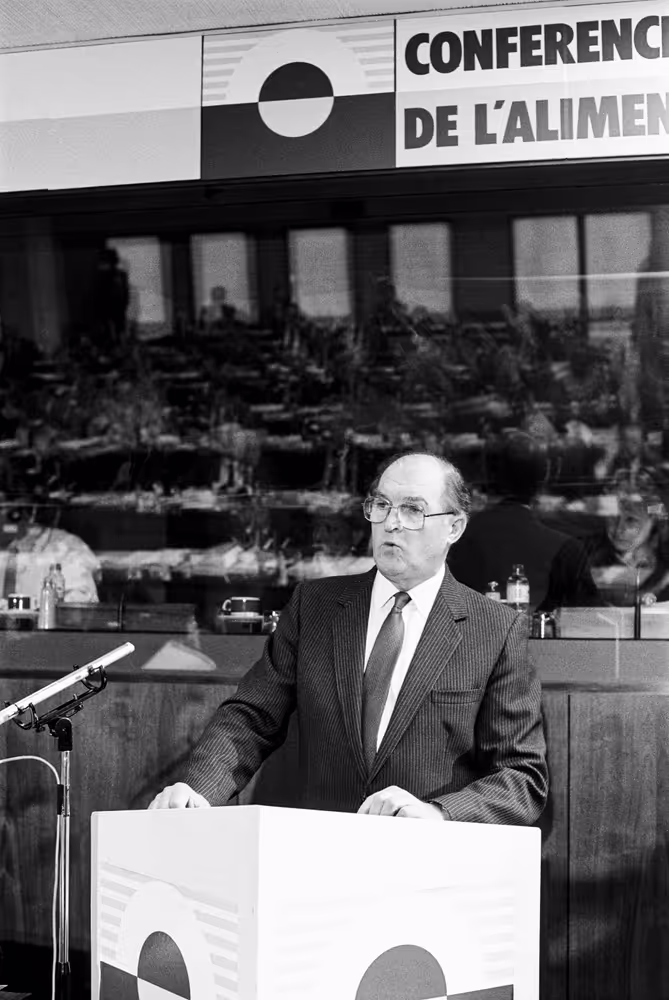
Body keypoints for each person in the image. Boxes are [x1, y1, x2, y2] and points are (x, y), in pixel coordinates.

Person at [149, 452, 547, 824]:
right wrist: (199, 790)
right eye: (382, 505)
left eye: (412, 510)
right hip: (323, 854)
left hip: (428, 866)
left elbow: (521, 776)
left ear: (454, 527)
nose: (391, 523)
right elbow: (252, 717)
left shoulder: (494, 629)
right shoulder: (316, 606)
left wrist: (439, 813)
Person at [448, 431, 600, 611]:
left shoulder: (454, 539)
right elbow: (591, 623)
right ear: (544, 477)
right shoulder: (566, 549)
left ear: (486, 477)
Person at [0, 495, 100, 607]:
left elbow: (78, 606)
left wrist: (29, 606)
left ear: (18, 514)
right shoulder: (7, 546)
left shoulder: (68, 547)